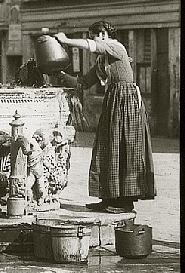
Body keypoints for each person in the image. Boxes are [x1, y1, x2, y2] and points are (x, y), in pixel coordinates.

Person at [54, 21, 155, 214]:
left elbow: (93, 46)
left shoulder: (116, 47)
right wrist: (59, 75)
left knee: (126, 149)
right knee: (108, 147)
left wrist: (66, 40)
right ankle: (108, 197)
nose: (92, 40)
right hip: (114, 102)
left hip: (127, 102)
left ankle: (125, 202)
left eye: (93, 36)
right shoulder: (103, 62)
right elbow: (83, 82)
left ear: (102, 34)